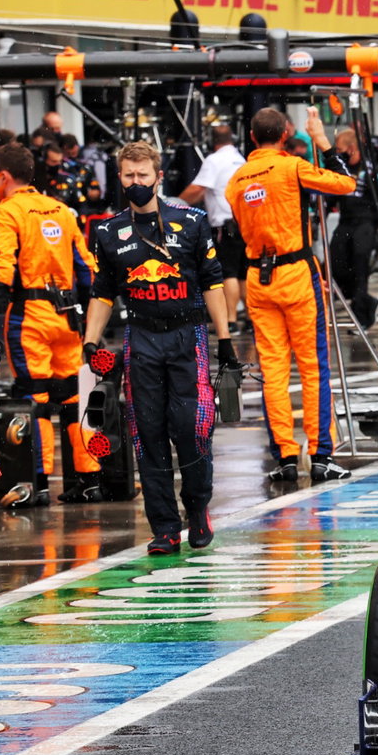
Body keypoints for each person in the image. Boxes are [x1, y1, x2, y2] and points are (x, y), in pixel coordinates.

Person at [83, 141, 236, 553]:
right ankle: (165, 528)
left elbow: (213, 282)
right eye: (129, 175)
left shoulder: (192, 222)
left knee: (191, 428)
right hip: (141, 339)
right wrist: (90, 341)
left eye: (143, 175)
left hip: (188, 336)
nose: (136, 182)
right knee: (147, 435)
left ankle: (197, 508)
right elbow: (102, 291)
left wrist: (225, 340)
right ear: (120, 178)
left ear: (158, 177)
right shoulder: (108, 232)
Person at [226, 107, 358, 482]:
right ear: (285, 134)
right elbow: (346, 184)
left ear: (252, 137)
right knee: (313, 367)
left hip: (258, 277)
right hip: (297, 272)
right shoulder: (293, 167)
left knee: (273, 371)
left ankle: (284, 457)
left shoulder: (236, 180)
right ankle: (320, 456)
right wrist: (322, 140)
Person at [0, 142, 101, 508]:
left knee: (34, 395)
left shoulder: (5, 212)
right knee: (72, 394)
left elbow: (1, 266)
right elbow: (87, 269)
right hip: (68, 316)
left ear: (4, 176)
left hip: (29, 317)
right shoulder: (60, 209)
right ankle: (89, 479)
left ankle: (35, 482)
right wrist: (93, 317)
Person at [178, 125, 246, 331]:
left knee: (228, 273)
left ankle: (231, 320)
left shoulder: (214, 160)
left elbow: (198, 188)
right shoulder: (240, 159)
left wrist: (175, 203)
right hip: (244, 223)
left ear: (212, 142)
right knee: (244, 273)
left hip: (226, 225)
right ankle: (251, 318)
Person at [327, 129, 378, 328]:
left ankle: (362, 313)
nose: (338, 153)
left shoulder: (370, 169)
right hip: (345, 222)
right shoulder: (341, 169)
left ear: (351, 149)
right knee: (335, 263)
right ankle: (360, 299)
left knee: (360, 266)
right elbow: (331, 195)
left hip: (365, 223)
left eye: (340, 149)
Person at [40, 139, 102, 215]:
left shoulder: (68, 176)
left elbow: (80, 202)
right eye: (53, 161)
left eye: (59, 161)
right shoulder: (37, 177)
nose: (58, 165)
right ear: (44, 160)